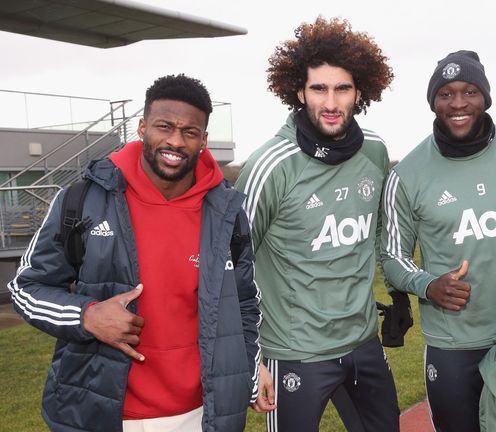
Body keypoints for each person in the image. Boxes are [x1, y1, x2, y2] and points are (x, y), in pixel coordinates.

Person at [7, 74, 273, 432]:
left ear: (203, 140)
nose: (175, 141)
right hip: (106, 415)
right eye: (164, 126)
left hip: (202, 414)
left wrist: (249, 370)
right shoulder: (83, 199)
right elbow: (26, 289)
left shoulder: (227, 211)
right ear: (142, 127)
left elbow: (244, 304)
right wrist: (86, 316)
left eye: (189, 132)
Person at [235, 16, 401, 431]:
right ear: (298, 91)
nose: (331, 102)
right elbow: (230, 263)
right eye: (318, 88)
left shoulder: (375, 151)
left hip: (363, 342)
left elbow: (379, 236)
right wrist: (251, 357)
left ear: (359, 92)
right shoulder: (270, 166)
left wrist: (398, 296)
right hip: (294, 351)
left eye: (342, 88)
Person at [379, 50, 496, 432]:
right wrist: (428, 285)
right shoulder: (407, 174)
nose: (458, 103)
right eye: (446, 94)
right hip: (452, 345)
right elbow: (392, 256)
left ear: (485, 98)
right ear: (433, 102)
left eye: (469, 92)